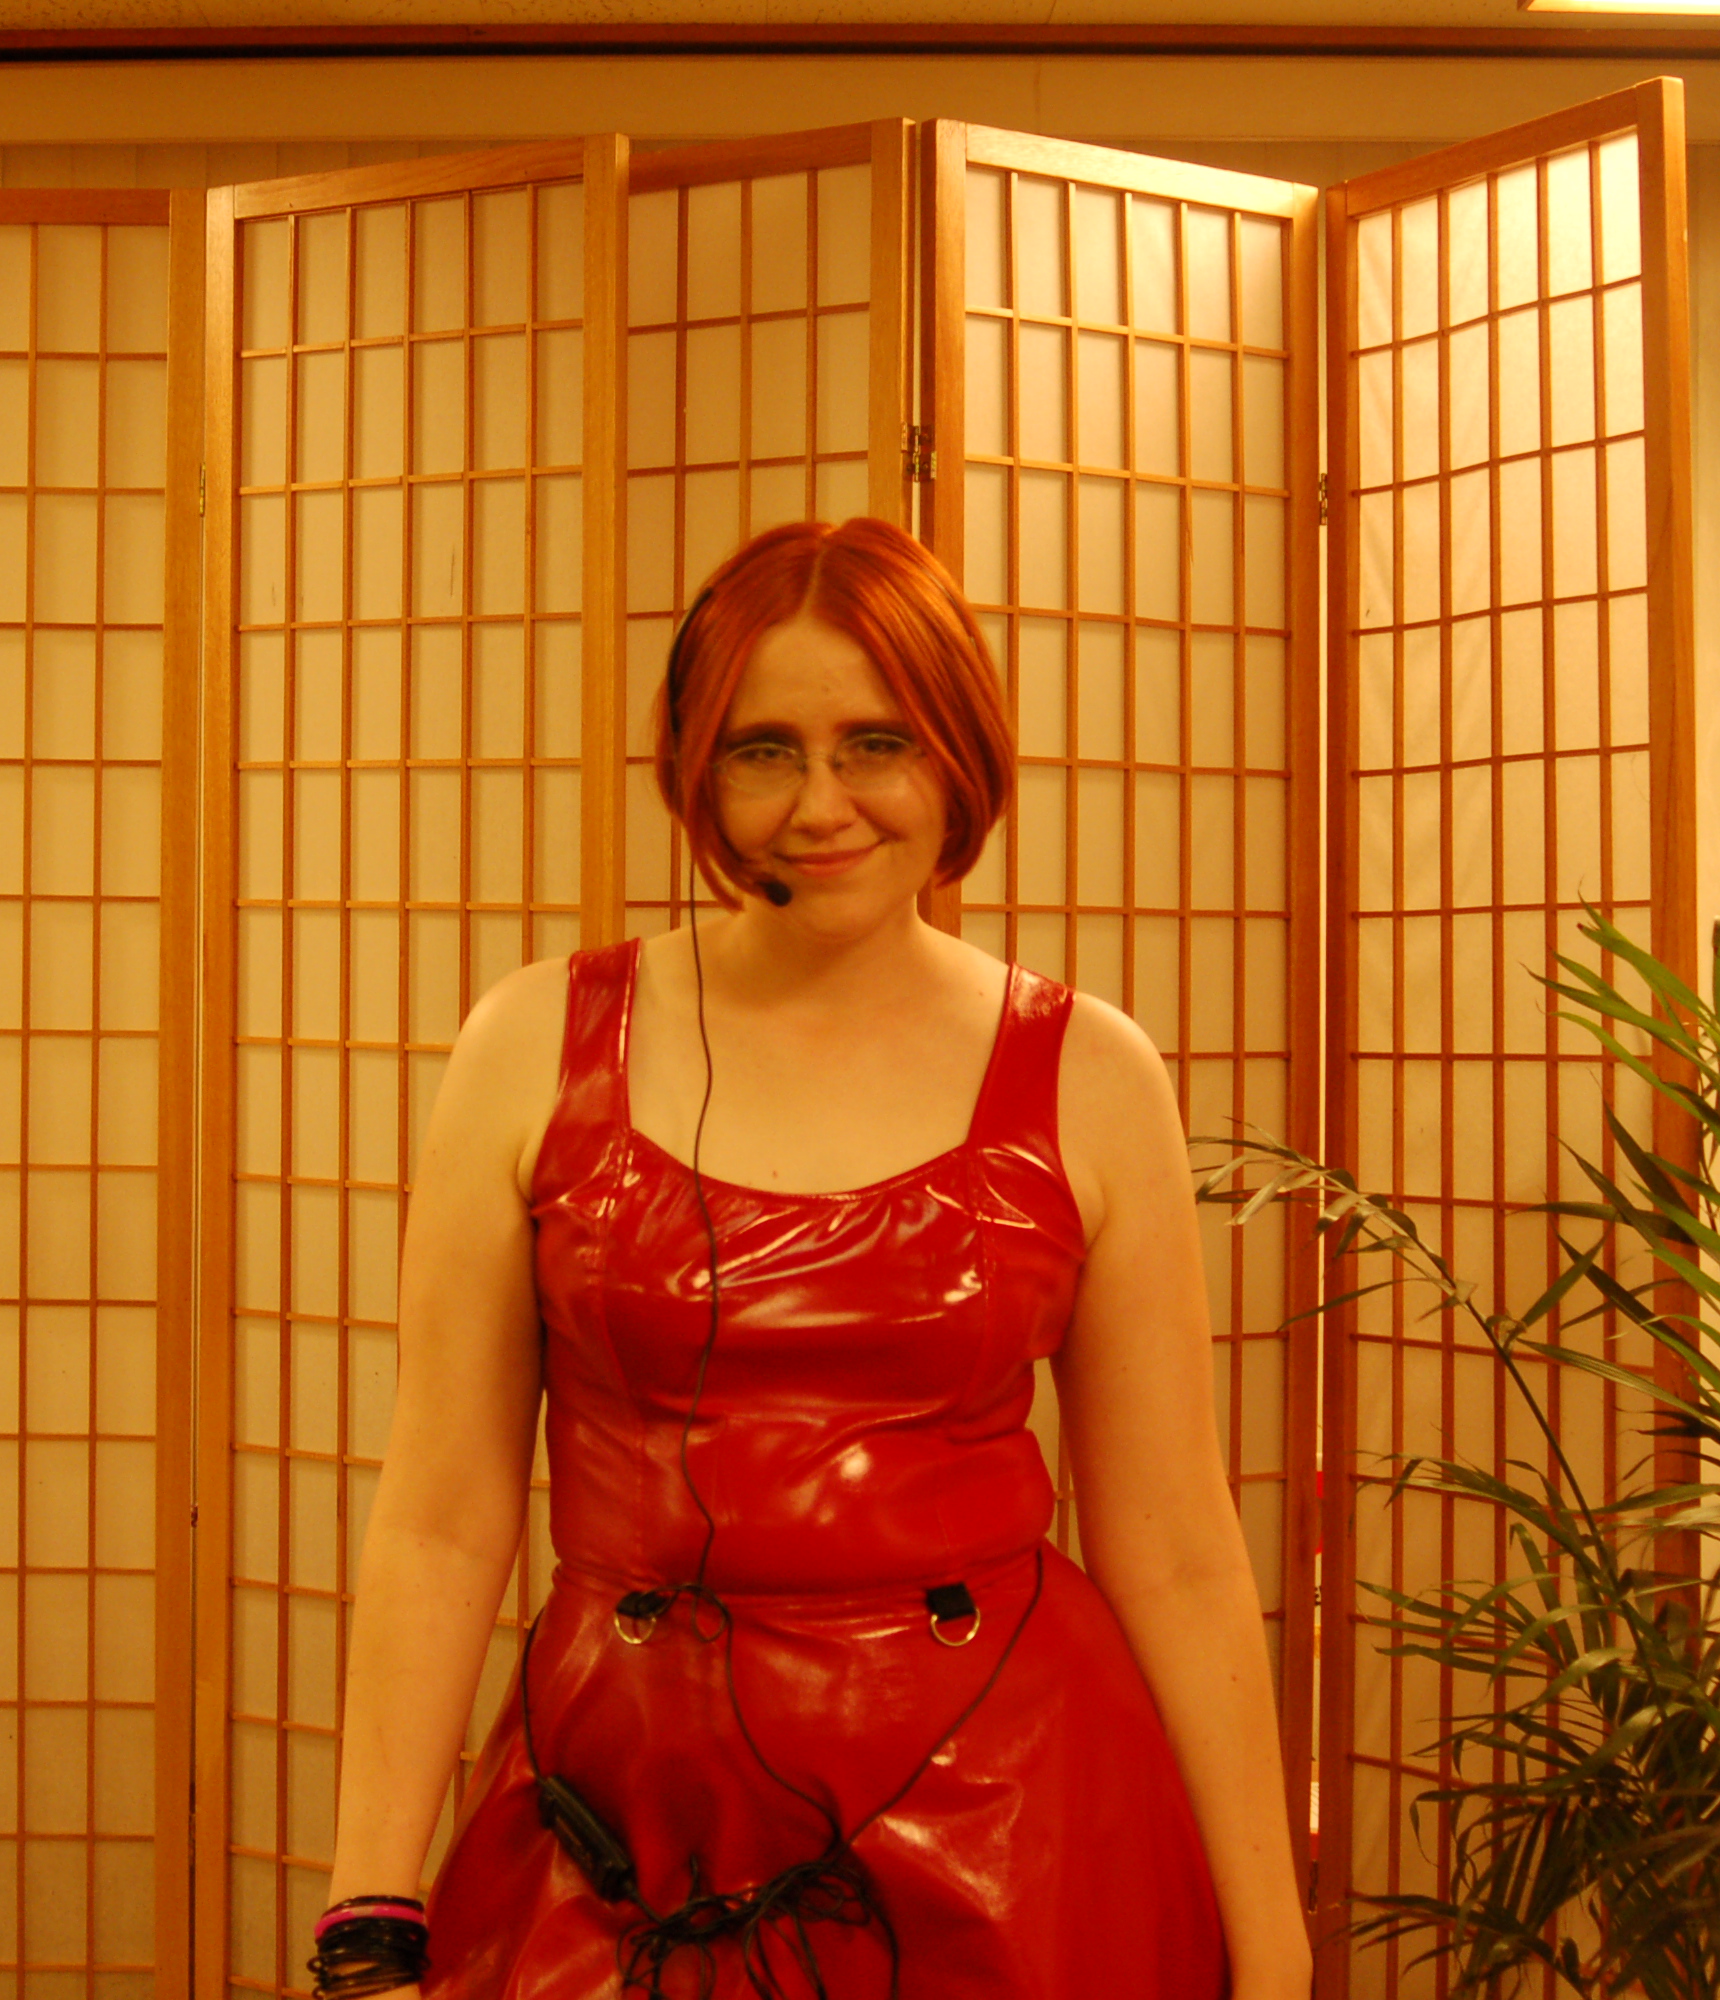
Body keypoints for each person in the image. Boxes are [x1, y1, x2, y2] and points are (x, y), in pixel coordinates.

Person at [311, 518, 1310, 2000]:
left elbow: (1171, 1544)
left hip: (1018, 1818)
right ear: (694, 766)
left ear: (958, 754)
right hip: (621, 1816)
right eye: (763, 749)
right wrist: (369, 1915)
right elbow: (444, 1519)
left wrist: (1274, 1948)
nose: (820, 804)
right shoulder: (530, 1044)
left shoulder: (1093, 1074)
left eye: (876, 743)